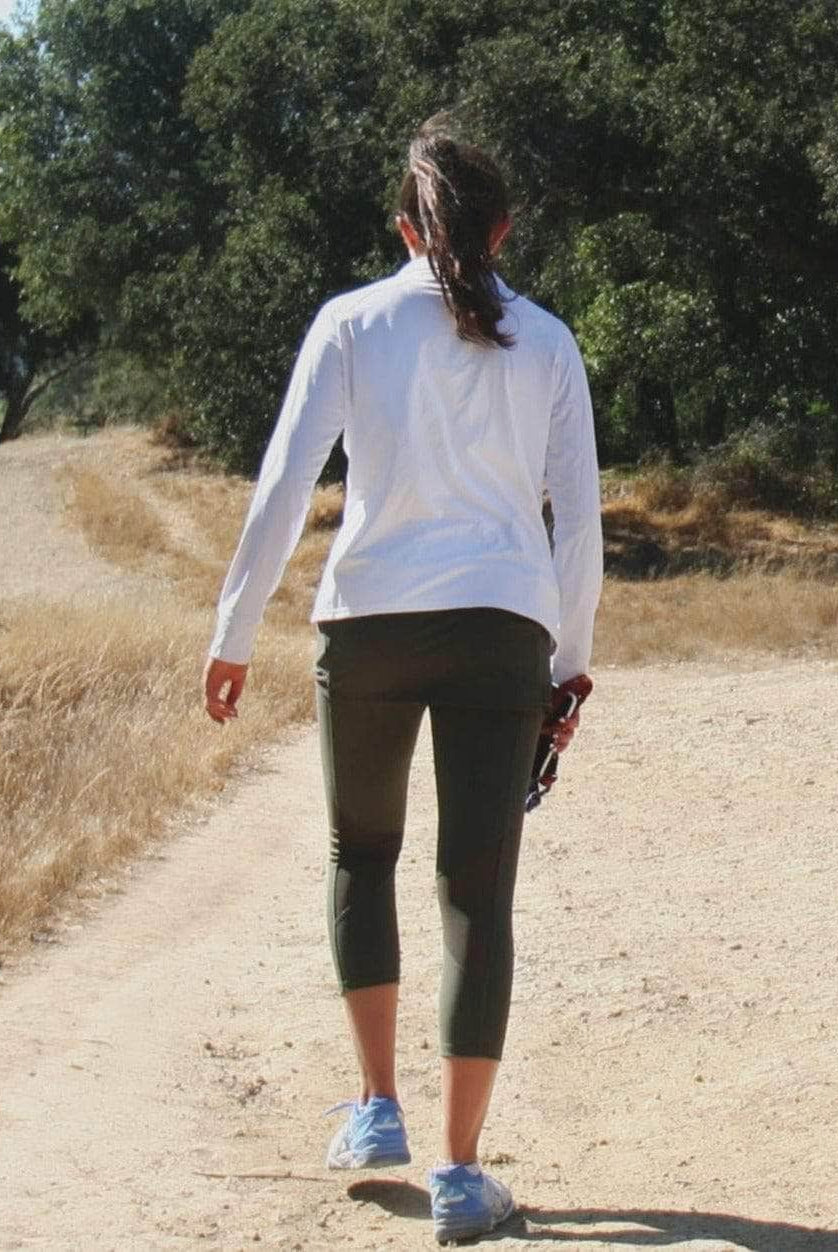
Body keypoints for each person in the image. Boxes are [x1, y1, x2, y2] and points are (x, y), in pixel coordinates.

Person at [203, 120, 603, 1245]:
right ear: (503, 231)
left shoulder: (350, 324)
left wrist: (233, 631)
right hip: (501, 627)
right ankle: (462, 1173)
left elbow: (285, 484)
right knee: (475, 891)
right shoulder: (549, 344)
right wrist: (568, 670)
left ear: (403, 229)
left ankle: (377, 1107)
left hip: (367, 623)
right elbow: (578, 526)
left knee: (360, 854)